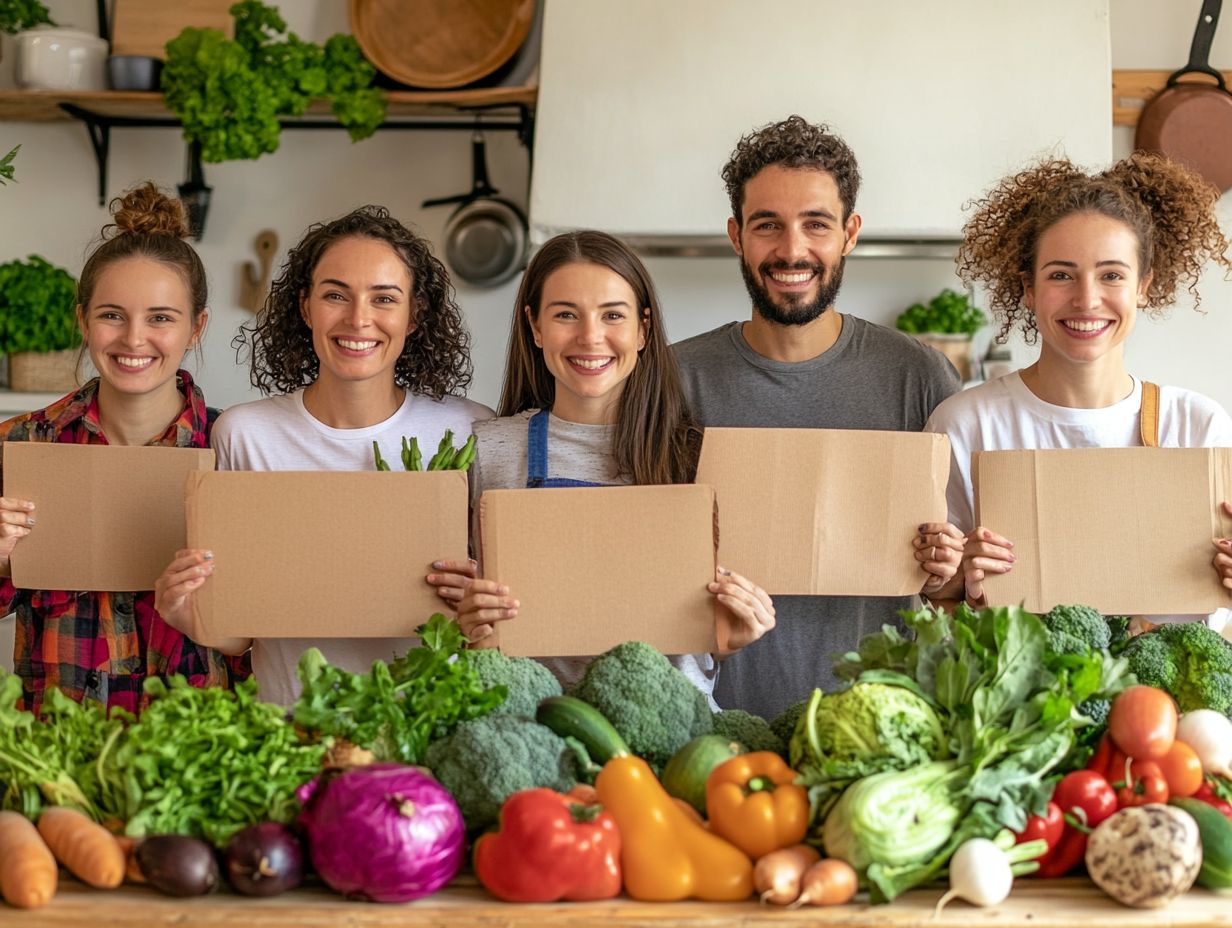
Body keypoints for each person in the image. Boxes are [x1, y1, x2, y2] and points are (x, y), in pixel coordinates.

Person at [672, 115, 963, 718]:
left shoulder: (920, 377)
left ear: (850, 233)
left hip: (886, 731)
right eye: (767, 226)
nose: (792, 250)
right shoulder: (674, 382)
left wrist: (948, 569)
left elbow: (960, 584)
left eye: (816, 224)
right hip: (718, 731)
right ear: (736, 235)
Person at [154, 205, 492, 706]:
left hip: (433, 728)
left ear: (414, 315)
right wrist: (188, 613)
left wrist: (479, 602)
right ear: (306, 307)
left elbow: (493, 622)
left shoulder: (470, 428)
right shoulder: (245, 434)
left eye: (384, 299)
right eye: (336, 295)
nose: (359, 319)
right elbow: (243, 632)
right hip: (294, 732)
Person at [426, 230, 776, 704]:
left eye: (612, 315)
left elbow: (714, 624)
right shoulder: (487, 450)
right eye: (566, 314)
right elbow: (454, 614)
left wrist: (736, 634)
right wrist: (465, 623)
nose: (590, 337)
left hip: (676, 738)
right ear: (535, 327)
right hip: (534, 732)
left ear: (643, 330)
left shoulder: (700, 458)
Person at [924, 152, 1232, 624]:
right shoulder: (966, 425)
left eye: (1111, 275)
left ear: (1143, 287)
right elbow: (935, 602)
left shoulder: (1198, 428)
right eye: (1061, 275)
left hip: (1175, 701)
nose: (1087, 299)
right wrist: (959, 577)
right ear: (1028, 289)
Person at [0, 182, 247, 715]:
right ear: (83, 319)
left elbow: (262, 639)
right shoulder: (20, 444)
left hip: (199, 752)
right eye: (112, 315)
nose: (134, 339)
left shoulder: (237, 450)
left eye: (161, 317)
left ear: (196, 327)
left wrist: (207, 619)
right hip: (56, 754)